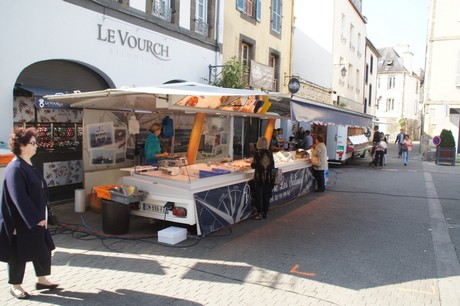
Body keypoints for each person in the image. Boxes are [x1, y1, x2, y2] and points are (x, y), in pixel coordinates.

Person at [0, 127, 58, 300]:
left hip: (36, 217)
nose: (36, 146)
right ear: (22, 146)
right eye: (32, 143)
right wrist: (35, 219)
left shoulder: (29, 164)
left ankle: (42, 280)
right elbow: (19, 199)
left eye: (35, 142)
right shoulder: (15, 168)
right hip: (20, 221)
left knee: (42, 247)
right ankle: (15, 286)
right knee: (18, 252)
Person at [251, 137, 275, 220]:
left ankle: (259, 213)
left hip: (259, 177)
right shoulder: (270, 153)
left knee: (259, 195)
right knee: (266, 195)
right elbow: (273, 165)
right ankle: (265, 213)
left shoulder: (257, 153)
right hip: (268, 177)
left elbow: (253, 165)